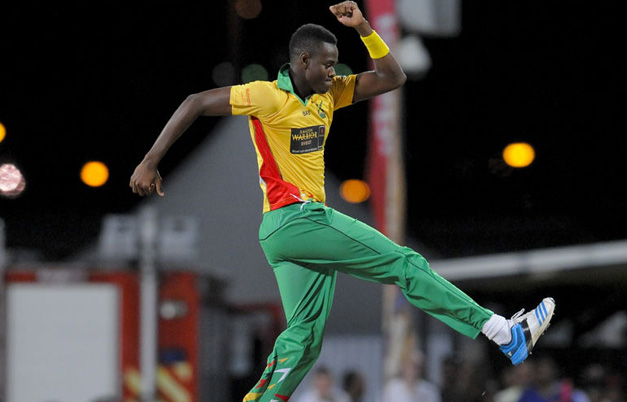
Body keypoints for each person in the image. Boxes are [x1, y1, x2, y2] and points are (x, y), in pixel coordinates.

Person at [129, 2, 556, 401]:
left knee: (305, 340)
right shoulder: (266, 95)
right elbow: (195, 102)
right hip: (297, 219)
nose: (334, 72)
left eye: (336, 64)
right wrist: (150, 160)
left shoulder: (328, 94)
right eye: (328, 64)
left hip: (287, 235)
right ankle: (504, 333)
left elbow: (392, 77)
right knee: (405, 263)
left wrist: (365, 28)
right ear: (303, 61)